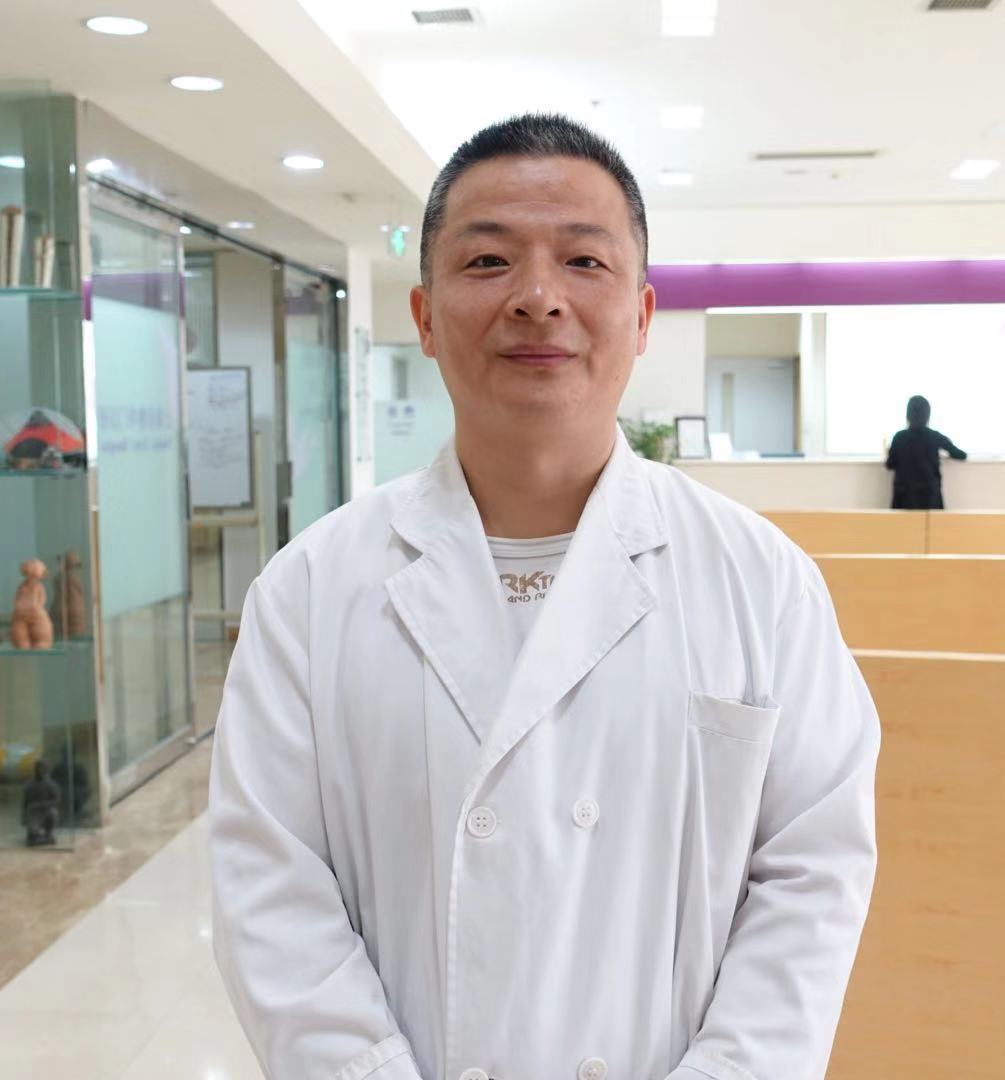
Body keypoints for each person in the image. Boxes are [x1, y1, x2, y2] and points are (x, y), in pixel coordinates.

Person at [209, 113, 880, 1080]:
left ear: (642, 316)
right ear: (425, 316)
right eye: (488, 261)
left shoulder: (760, 580)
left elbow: (813, 873)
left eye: (583, 261)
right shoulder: (309, 592)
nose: (536, 297)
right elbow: (270, 891)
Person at [885, 394, 967, 509]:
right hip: (930, 497)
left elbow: (890, 464)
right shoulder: (934, 436)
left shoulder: (899, 437)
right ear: (927, 414)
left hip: (904, 497)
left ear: (908, 414)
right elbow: (961, 455)